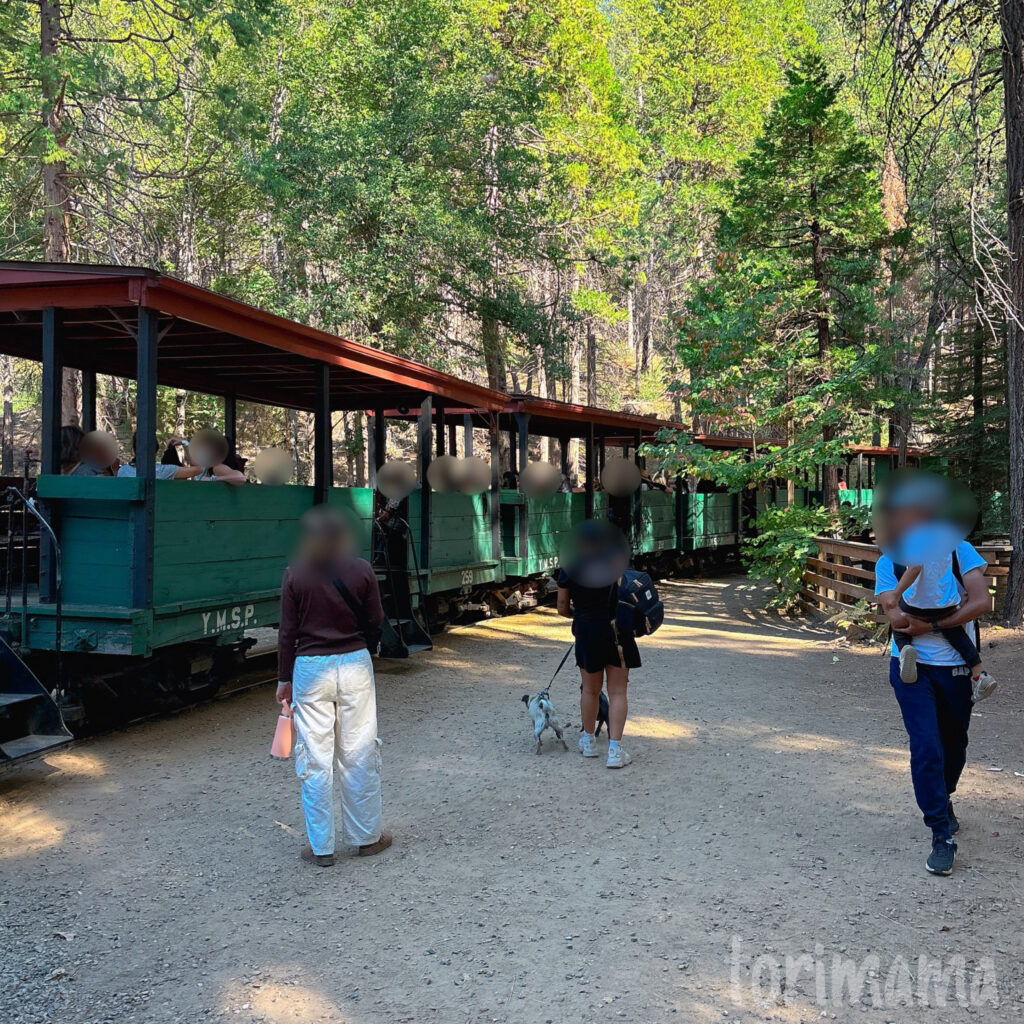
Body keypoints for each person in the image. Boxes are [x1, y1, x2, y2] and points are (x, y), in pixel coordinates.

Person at [276, 506, 390, 866]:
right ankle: (366, 837)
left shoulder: (295, 573)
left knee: (315, 757)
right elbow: (376, 620)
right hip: (355, 662)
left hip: (310, 668)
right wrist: (362, 650)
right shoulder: (361, 569)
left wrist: (284, 678)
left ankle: (321, 847)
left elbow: (287, 633)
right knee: (359, 751)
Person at [875, 538, 992, 877]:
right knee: (926, 746)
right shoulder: (890, 561)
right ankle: (941, 834)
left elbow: (982, 600)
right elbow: (892, 612)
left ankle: (944, 795)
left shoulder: (959, 549)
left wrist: (933, 625)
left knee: (954, 746)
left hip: (955, 667)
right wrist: (904, 616)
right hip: (912, 667)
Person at [556, 525, 638, 769]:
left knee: (590, 690)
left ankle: (588, 742)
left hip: (587, 630)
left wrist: (581, 615)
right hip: (617, 632)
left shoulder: (571, 567)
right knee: (617, 693)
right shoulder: (617, 564)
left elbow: (561, 607)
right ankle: (615, 751)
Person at [117, 433, 204, 479]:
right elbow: (199, 468)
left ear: (134, 449)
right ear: (156, 449)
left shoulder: (123, 471)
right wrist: (185, 443)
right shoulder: (163, 471)